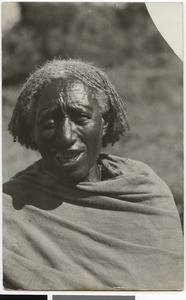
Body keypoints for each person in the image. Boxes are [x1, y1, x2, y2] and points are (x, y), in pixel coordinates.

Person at [3, 59, 183, 291]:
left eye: (80, 117)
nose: (66, 136)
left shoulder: (147, 192)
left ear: (104, 124)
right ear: (33, 131)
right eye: (49, 120)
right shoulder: (8, 210)